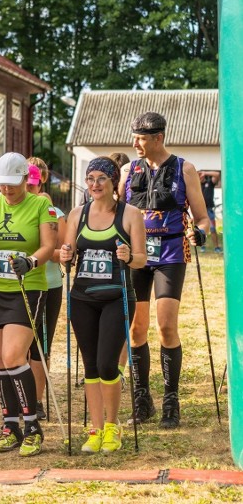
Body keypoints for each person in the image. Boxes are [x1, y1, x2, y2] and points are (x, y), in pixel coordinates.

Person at [119, 112, 210, 428]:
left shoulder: (185, 169)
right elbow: (115, 213)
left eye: (141, 138)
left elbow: (202, 217)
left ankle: (171, 402)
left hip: (171, 253)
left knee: (166, 327)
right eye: (135, 137)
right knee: (136, 330)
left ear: (159, 137)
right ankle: (142, 401)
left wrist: (199, 231)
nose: (136, 144)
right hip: (137, 257)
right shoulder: (128, 170)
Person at [0, 152, 57, 457]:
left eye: (11, 183)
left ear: (24, 179)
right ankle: (9, 426)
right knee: (0, 361)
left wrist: (30, 261)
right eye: (1, 184)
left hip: (26, 287)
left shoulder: (41, 204)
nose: (6, 189)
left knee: (14, 354)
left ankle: (32, 426)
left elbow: (48, 246)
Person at [60, 157, 147, 452]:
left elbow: (142, 259)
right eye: (90, 178)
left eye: (101, 179)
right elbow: (68, 253)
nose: (94, 184)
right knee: (90, 366)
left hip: (116, 296)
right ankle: (95, 429)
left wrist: (128, 257)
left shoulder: (131, 214)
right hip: (82, 297)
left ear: (113, 183)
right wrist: (64, 256)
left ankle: (113, 426)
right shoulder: (77, 214)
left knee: (108, 364)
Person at [25, 160, 66, 420]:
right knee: (21, 347)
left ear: (41, 182)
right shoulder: (9, 209)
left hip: (48, 285)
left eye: (32, 184)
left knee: (40, 346)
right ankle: (22, 397)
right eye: (24, 183)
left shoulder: (55, 212)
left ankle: (36, 400)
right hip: (15, 286)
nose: (27, 189)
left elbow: (58, 253)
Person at [199, 170, 222, 253]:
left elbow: (217, 174)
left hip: (209, 210)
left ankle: (216, 247)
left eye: (201, 175)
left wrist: (205, 172)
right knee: (201, 230)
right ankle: (202, 247)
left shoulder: (210, 183)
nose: (200, 176)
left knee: (212, 229)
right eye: (198, 175)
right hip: (200, 211)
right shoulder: (196, 185)